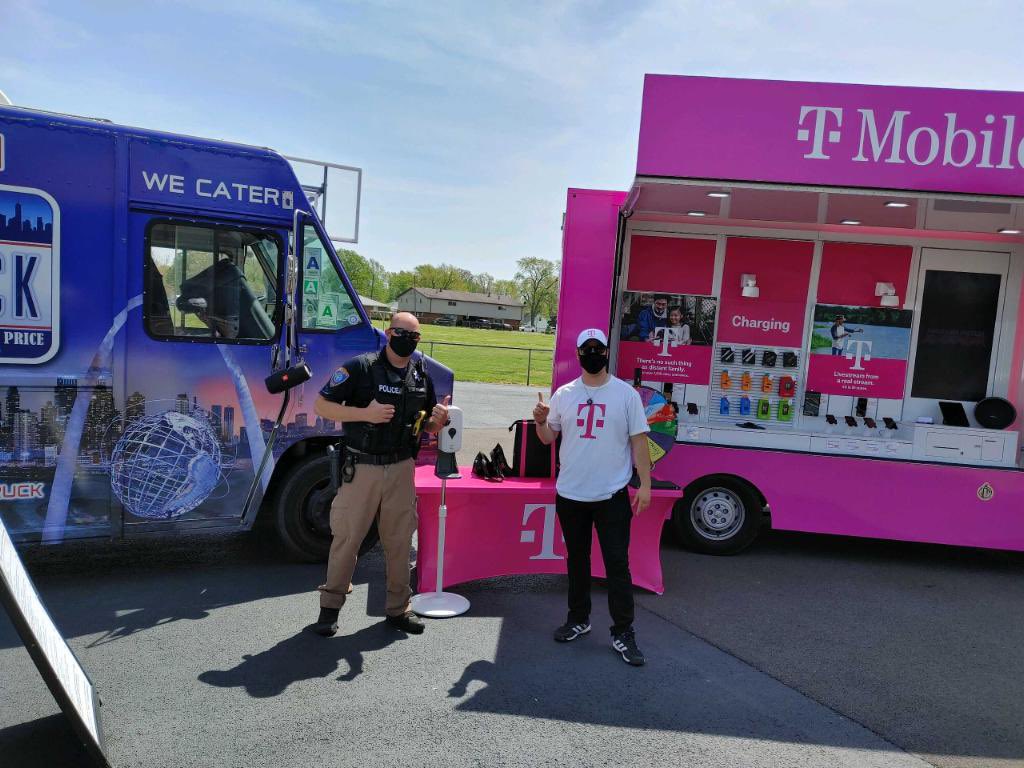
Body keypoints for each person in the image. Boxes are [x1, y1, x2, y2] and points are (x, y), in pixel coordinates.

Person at [308, 311, 449, 637]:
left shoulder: (419, 376)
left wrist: (438, 421)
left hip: (401, 468)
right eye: (402, 333)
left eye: (414, 337)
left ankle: (399, 609)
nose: (407, 340)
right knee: (347, 539)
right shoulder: (361, 367)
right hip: (362, 468)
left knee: (399, 542)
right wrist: (365, 413)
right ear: (388, 333)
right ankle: (329, 609)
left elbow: (425, 424)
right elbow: (322, 406)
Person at [532, 328, 652, 666]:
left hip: (611, 494)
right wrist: (539, 421)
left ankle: (623, 631)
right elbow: (546, 438)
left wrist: (645, 483)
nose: (593, 353)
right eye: (587, 348)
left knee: (617, 564)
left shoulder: (625, 395)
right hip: (571, 494)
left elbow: (639, 441)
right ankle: (578, 619)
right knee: (577, 560)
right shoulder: (564, 394)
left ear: (606, 352)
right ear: (579, 353)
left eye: (599, 348)